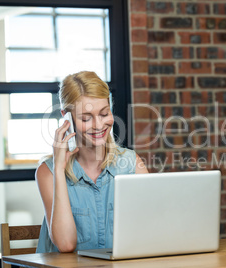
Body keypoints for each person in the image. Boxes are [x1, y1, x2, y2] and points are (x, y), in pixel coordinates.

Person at [35, 71, 148, 253]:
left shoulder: (131, 163)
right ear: (67, 118)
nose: (98, 125)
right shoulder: (47, 171)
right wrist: (59, 168)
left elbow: (150, 230)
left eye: (104, 114)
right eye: (86, 118)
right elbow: (66, 244)